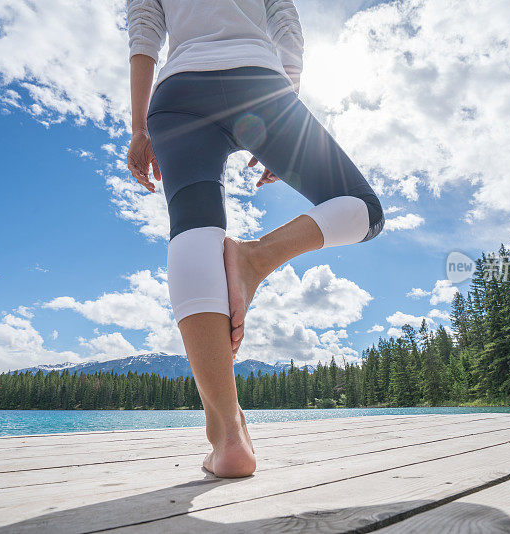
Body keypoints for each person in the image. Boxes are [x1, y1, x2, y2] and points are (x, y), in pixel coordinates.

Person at [126, 0, 384, 478]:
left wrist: (139, 127)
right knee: (363, 209)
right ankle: (255, 259)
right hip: (260, 83)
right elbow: (286, 22)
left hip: (179, 92)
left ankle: (228, 439)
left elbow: (144, 33)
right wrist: (286, 107)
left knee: (193, 227)